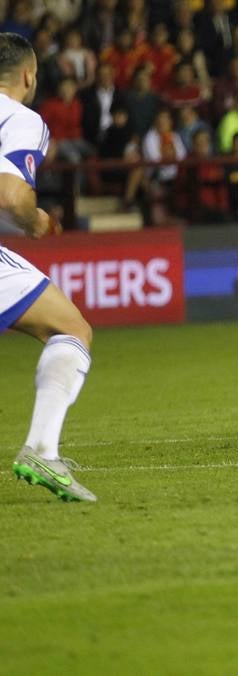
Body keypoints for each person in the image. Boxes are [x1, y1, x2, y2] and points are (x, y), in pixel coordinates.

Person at [0, 34, 97, 502]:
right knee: (71, 328)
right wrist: (32, 218)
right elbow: (13, 194)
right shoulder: (21, 118)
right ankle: (41, 447)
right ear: (28, 75)